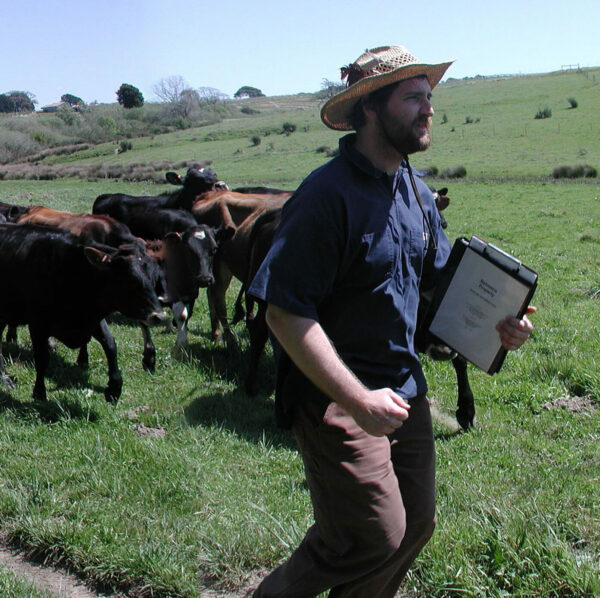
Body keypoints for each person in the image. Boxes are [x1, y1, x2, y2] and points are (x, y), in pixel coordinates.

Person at [248, 45, 535, 598]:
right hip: (334, 395)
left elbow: (442, 285)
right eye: (413, 97)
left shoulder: (417, 193)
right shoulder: (325, 196)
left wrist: (502, 322)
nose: (429, 109)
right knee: (369, 536)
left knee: (415, 528)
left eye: (430, 97)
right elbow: (284, 313)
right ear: (371, 108)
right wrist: (357, 401)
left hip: (403, 388)